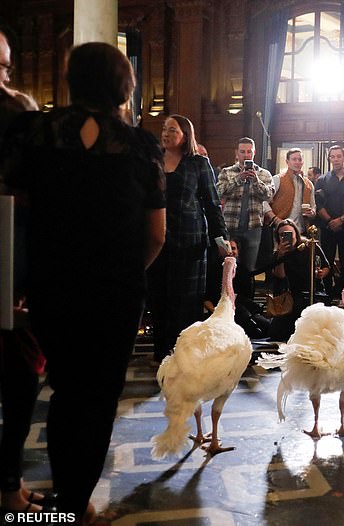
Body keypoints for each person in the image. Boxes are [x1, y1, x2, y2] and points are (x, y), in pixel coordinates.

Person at [1, 42, 166, 523]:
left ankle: (61, 506)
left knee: (66, 390)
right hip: (115, 292)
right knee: (97, 400)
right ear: (125, 85)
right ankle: (75, 507)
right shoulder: (141, 145)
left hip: (51, 286)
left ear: (70, 79)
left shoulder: (35, 132)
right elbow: (156, 235)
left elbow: (11, 209)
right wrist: (125, 271)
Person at [0, 27, 50, 516]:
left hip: (11, 272)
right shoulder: (18, 112)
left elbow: (33, 204)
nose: (5, 81)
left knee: (20, 380)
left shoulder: (19, 112)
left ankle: (9, 486)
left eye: (6, 69)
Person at [148, 114, 228, 363]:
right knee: (159, 296)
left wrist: (221, 241)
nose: (166, 133)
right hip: (157, 238)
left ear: (185, 135)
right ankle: (161, 352)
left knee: (186, 301)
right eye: (164, 129)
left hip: (189, 240)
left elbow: (212, 205)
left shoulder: (198, 164)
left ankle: (184, 352)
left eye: (173, 130)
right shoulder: (153, 161)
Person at [217, 137, 274, 272]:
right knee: (227, 265)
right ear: (236, 153)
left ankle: (246, 293)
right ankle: (227, 292)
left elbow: (269, 195)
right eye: (242, 151)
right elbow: (218, 192)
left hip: (253, 227)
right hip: (230, 225)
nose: (246, 155)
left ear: (254, 153)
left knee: (249, 268)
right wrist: (238, 179)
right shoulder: (226, 172)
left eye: (249, 151)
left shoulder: (264, 174)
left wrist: (256, 181)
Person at [268, 219, 330, 341]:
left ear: (296, 233)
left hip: (310, 290)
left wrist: (321, 273)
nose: (286, 237)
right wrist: (281, 256)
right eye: (282, 234)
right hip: (289, 295)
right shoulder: (278, 254)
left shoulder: (309, 246)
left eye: (289, 234)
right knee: (276, 332)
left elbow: (326, 266)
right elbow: (280, 276)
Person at [315, 145, 344, 296]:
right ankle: (327, 292)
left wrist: (341, 220)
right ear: (329, 158)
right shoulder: (322, 180)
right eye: (332, 156)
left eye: (338, 156)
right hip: (327, 227)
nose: (335, 159)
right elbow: (318, 204)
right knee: (326, 260)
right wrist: (330, 221)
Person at [263, 147, 316, 233]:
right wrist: (275, 219)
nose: (297, 162)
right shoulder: (278, 179)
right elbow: (264, 202)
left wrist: (312, 212)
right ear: (287, 161)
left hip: (302, 230)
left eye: (300, 159)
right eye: (294, 159)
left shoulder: (309, 184)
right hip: (280, 228)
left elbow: (313, 206)